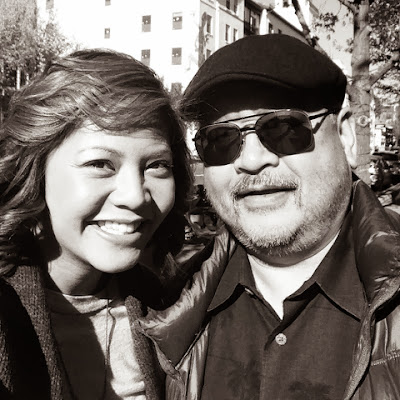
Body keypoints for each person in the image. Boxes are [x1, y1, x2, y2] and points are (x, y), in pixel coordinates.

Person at [136, 34, 400, 399]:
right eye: (221, 140)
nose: (251, 160)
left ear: (346, 135)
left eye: (283, 129)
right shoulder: (167, 307)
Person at [0, 49, 192, 399]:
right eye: (100, 164)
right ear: (34, 172)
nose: (135, 196)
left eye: (157, 165)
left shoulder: (173, 304)